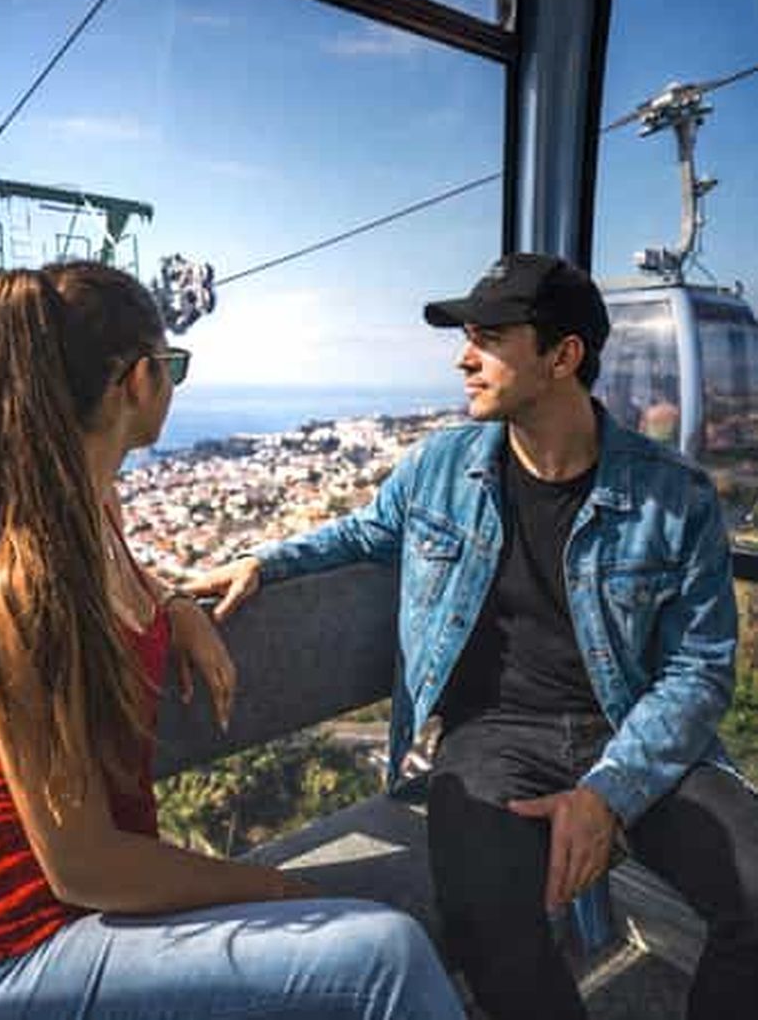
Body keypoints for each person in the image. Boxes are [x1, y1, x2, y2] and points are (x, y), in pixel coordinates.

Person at [192, 253, 758, 1020]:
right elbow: (365, 531)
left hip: (631, 730)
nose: (463, 356)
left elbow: (696, 670)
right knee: (492, 929)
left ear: (564, 356)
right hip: (492, 741)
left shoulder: (673, 496)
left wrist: (609, 791)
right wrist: (261, 559)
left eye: (489, 337)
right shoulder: (439, 468)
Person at [0, 263, 465, 1020]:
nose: (172, 384)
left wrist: (175, 605)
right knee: (383, 957)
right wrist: (273, 886)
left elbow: (123, 588)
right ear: (138, 380)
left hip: (76, 914)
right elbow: (83, 866)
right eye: (174, 367)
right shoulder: (28, 581)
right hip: (10, 950)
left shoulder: (91, 511)